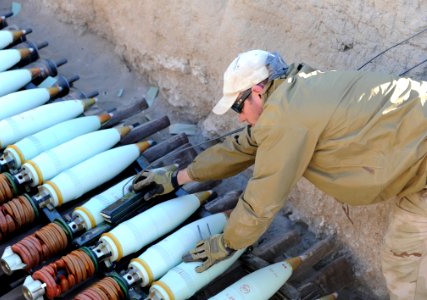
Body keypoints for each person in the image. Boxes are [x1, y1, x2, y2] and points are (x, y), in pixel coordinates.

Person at [132, 49, 426, 299]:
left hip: (422, 157)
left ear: (258, 90)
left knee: (405, 271)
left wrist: (228, 242)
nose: (239, 117)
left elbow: (264, 196)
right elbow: (243, 146)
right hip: (417, 161)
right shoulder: (294, 93)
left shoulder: (286, 119)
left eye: (238, 105)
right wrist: (178, 177)